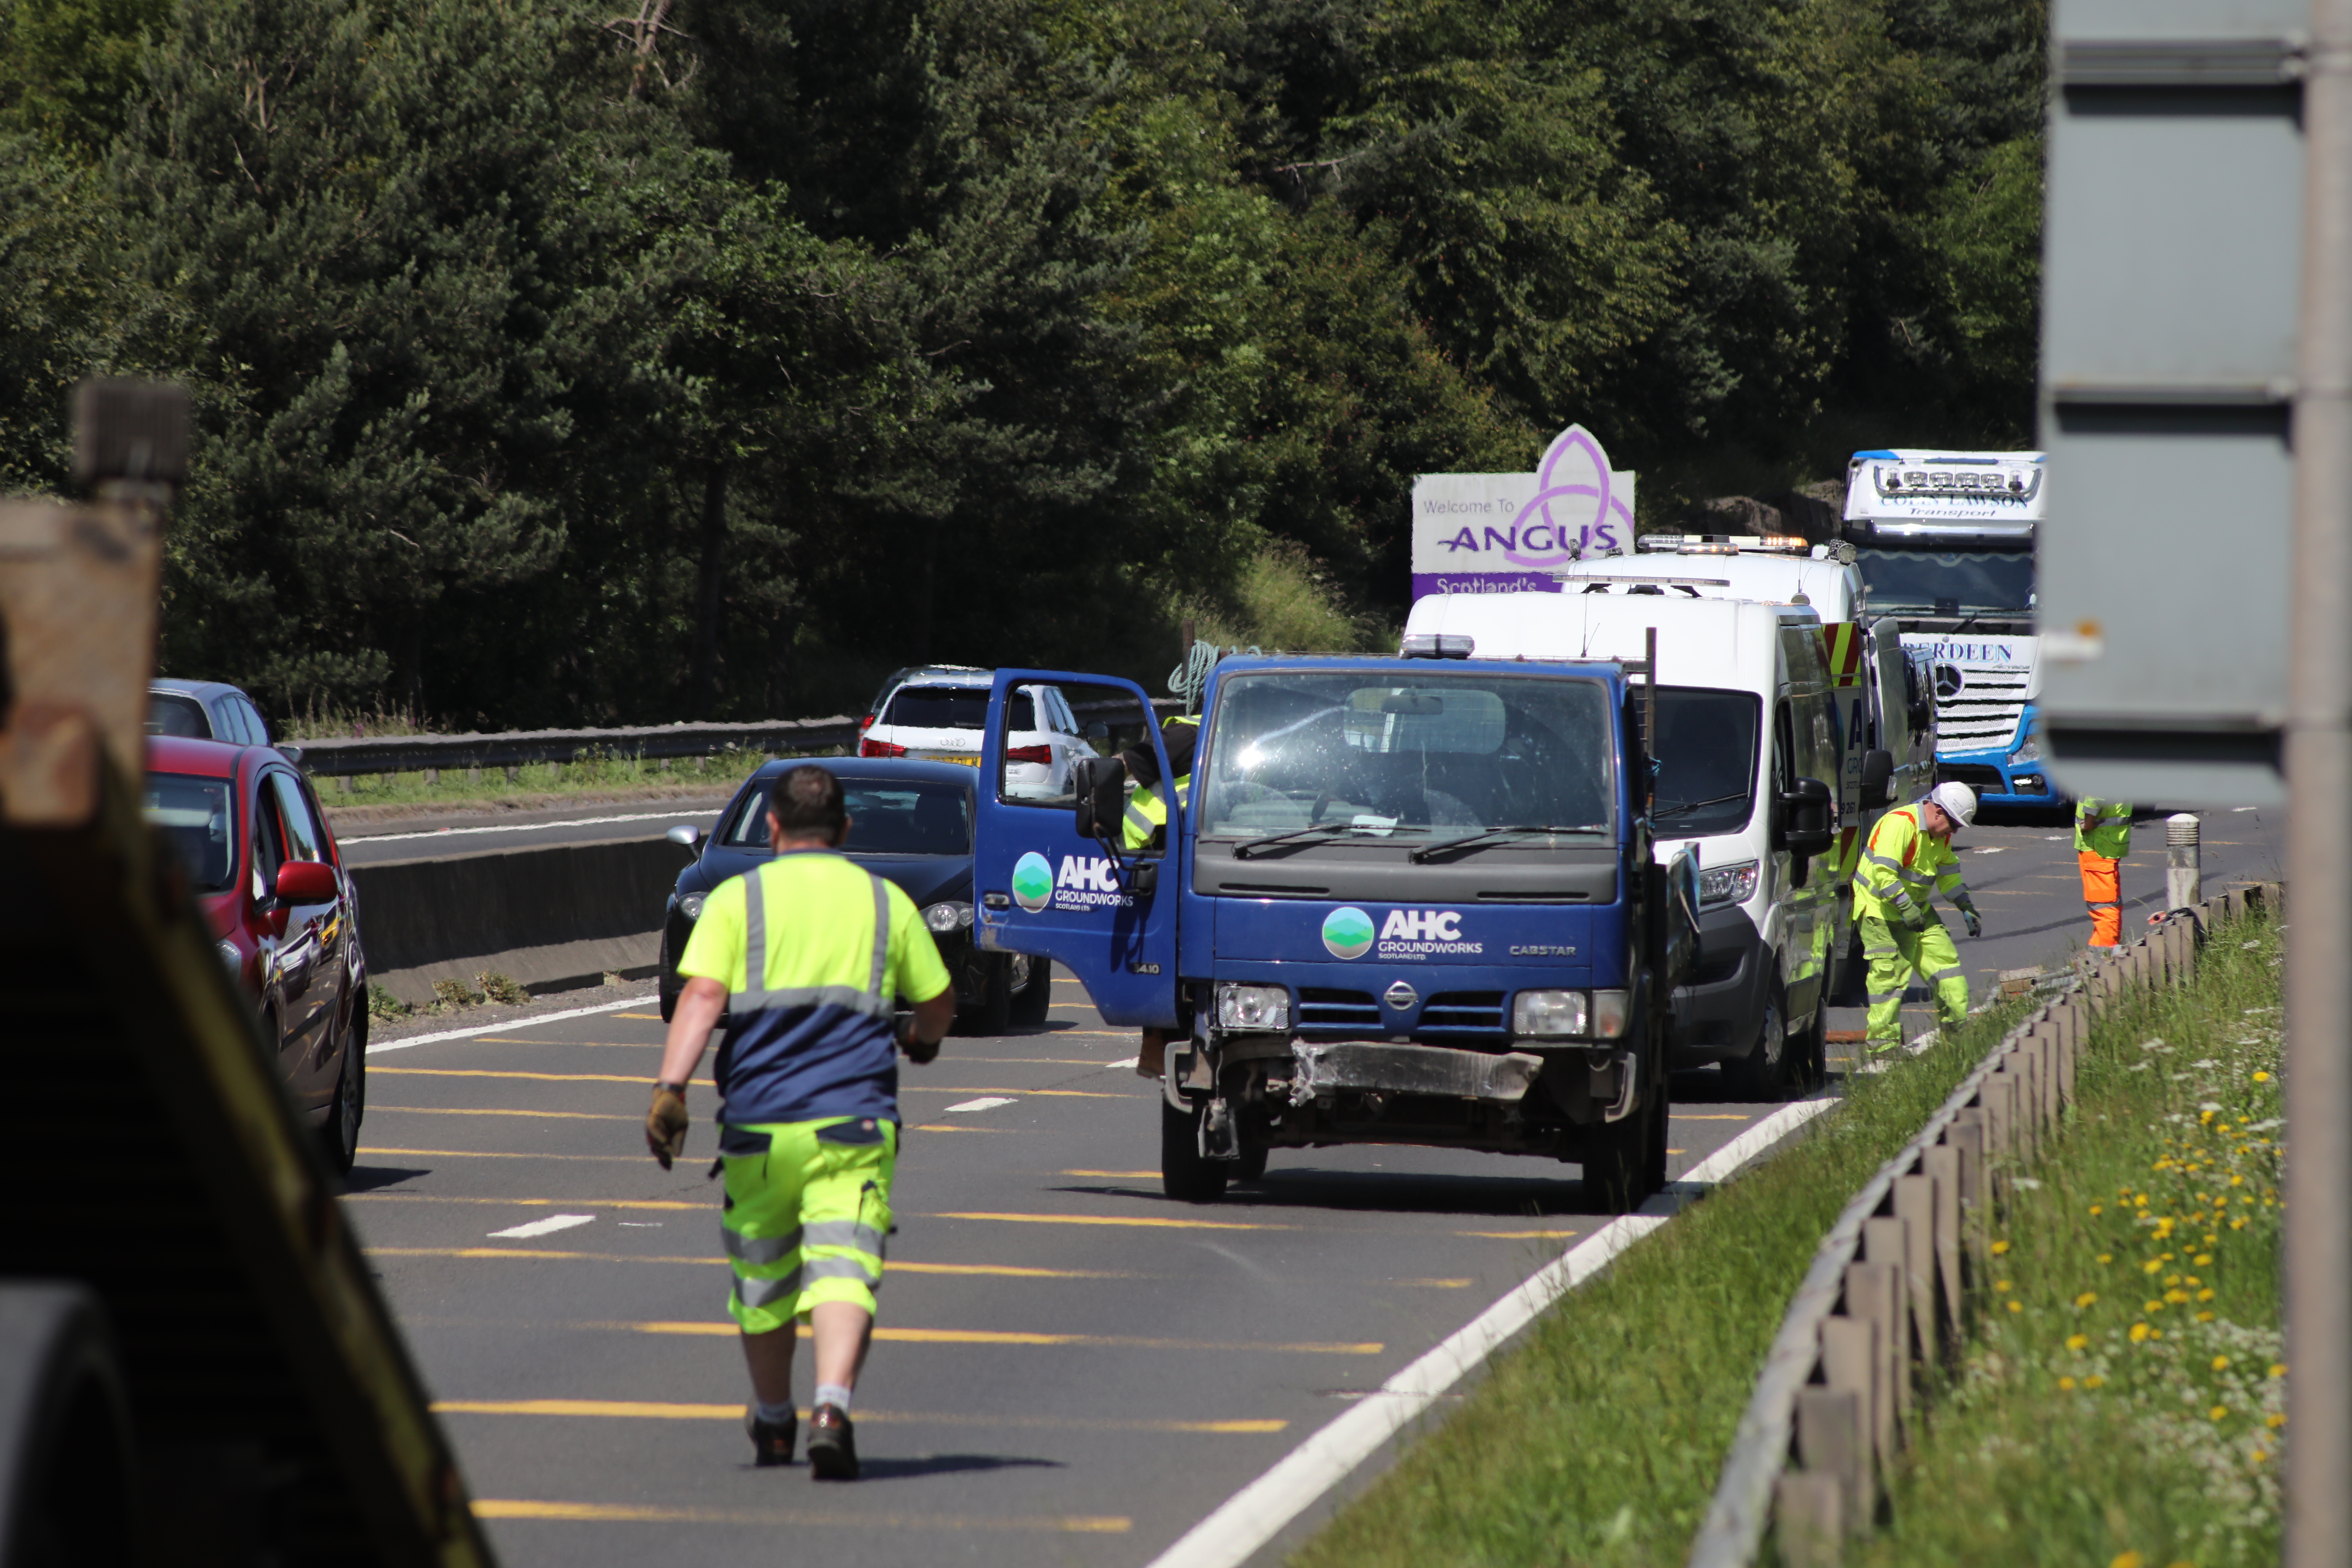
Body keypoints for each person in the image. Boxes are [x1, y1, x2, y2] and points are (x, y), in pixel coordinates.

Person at [645, 764, 955, 1479]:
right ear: (845, 831)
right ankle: (832, 1408)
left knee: (763, 1283)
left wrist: (671, 1089)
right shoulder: (883, 903)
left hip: (756, 1127)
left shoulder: (736, 900)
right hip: (853, 1124)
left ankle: (775, 1422)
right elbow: (937, 1003)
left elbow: (700, 998)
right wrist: (922, 1041)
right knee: (845, 1270)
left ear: (774, 829)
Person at [1851, 781, 1983, 1056]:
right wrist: (1905, 907)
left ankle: (1957, 1035)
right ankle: (1883, 1045)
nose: (1956, 831)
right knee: (1888, 979)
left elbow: (1948, 873)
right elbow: (1883, 874)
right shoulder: (1900, 824)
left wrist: (1965, 905)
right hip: (1879, 912)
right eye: (1954, 824)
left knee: (1947, 967)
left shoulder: (1940, 836)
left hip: (1916, 911)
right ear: (1937, 812)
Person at [1120, 714, 1199, 851]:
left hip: (1147, 849)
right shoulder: (1236, 738)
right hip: (1202, 844)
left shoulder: (1190, 733)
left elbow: (1119, 766)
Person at [2074, 797, 2133, 948]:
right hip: (2109, 843)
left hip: (2097, 843)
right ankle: (2101, 951)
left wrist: (2087, 823)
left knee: (2102, 905)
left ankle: (2106, 955)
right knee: (2109, 903)